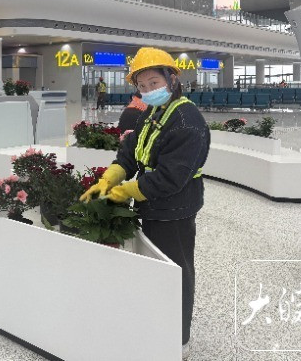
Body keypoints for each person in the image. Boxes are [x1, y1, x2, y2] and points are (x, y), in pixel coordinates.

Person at [80, 47, 209, 359]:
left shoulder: (187, 120)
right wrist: (111, 177)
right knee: (155, 268)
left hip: (175, 209)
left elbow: (171, 177)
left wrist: (127, 191)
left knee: (175, 270)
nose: (148, 90)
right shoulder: (152, 112)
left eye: (154, 82)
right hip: (151, 204)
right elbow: (130, 152)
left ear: (172, 79)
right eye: (142, 85)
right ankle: (155, 322)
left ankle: (178, 338)